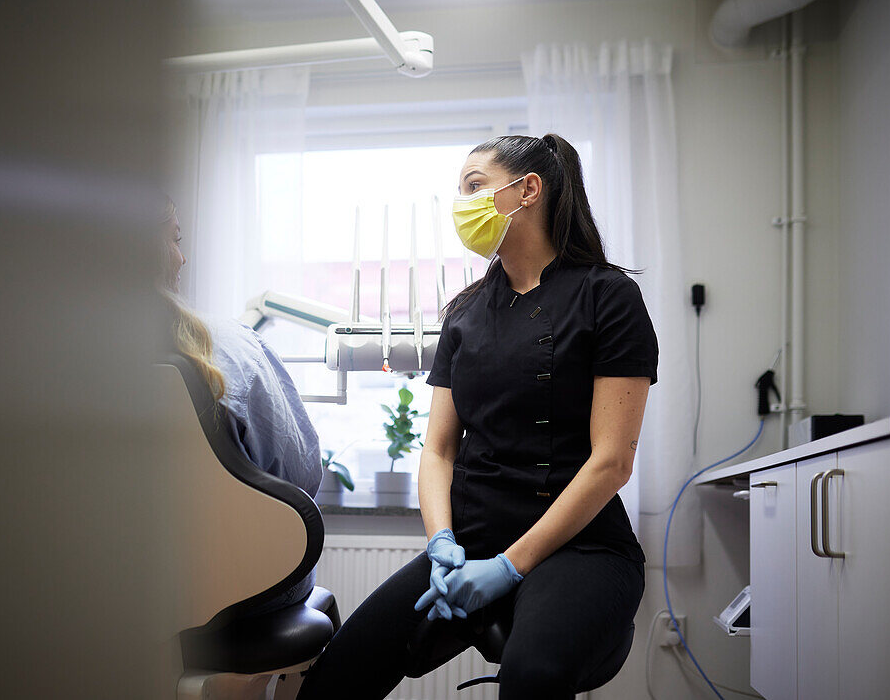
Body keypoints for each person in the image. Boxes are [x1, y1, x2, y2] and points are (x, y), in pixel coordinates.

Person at [296, 134, 657, 700]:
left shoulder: (607, 296)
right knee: (335, 677)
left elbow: (611, 462)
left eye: (474, 186)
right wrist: (442, 541)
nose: (462, 204)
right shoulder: (464, 313)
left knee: (532, 675)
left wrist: (510, 568)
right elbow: (438, 450)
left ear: (528, 190)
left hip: (579, 545)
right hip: (469, 543)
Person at [159, 196, 323, 612]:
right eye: (175, 240)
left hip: (130, 589)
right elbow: (301, 473)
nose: (183, 257)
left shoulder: (52, 363)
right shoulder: (227, 343)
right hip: (250, 588)